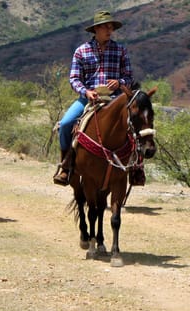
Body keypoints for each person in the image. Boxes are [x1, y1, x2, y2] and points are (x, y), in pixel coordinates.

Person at [53, 11, 133, 186]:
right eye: (106, 26)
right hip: (89, 99)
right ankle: (66, 166)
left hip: (115, 100)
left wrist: (119, 82)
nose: (109, 30)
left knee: (136, 126)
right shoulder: (81, 51)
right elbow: (74, 79)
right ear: (96, 29)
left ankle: (136, 168)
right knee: (66, 124)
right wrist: (86, 92)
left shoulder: (121, 50)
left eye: (111, 27)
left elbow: (129, 77)